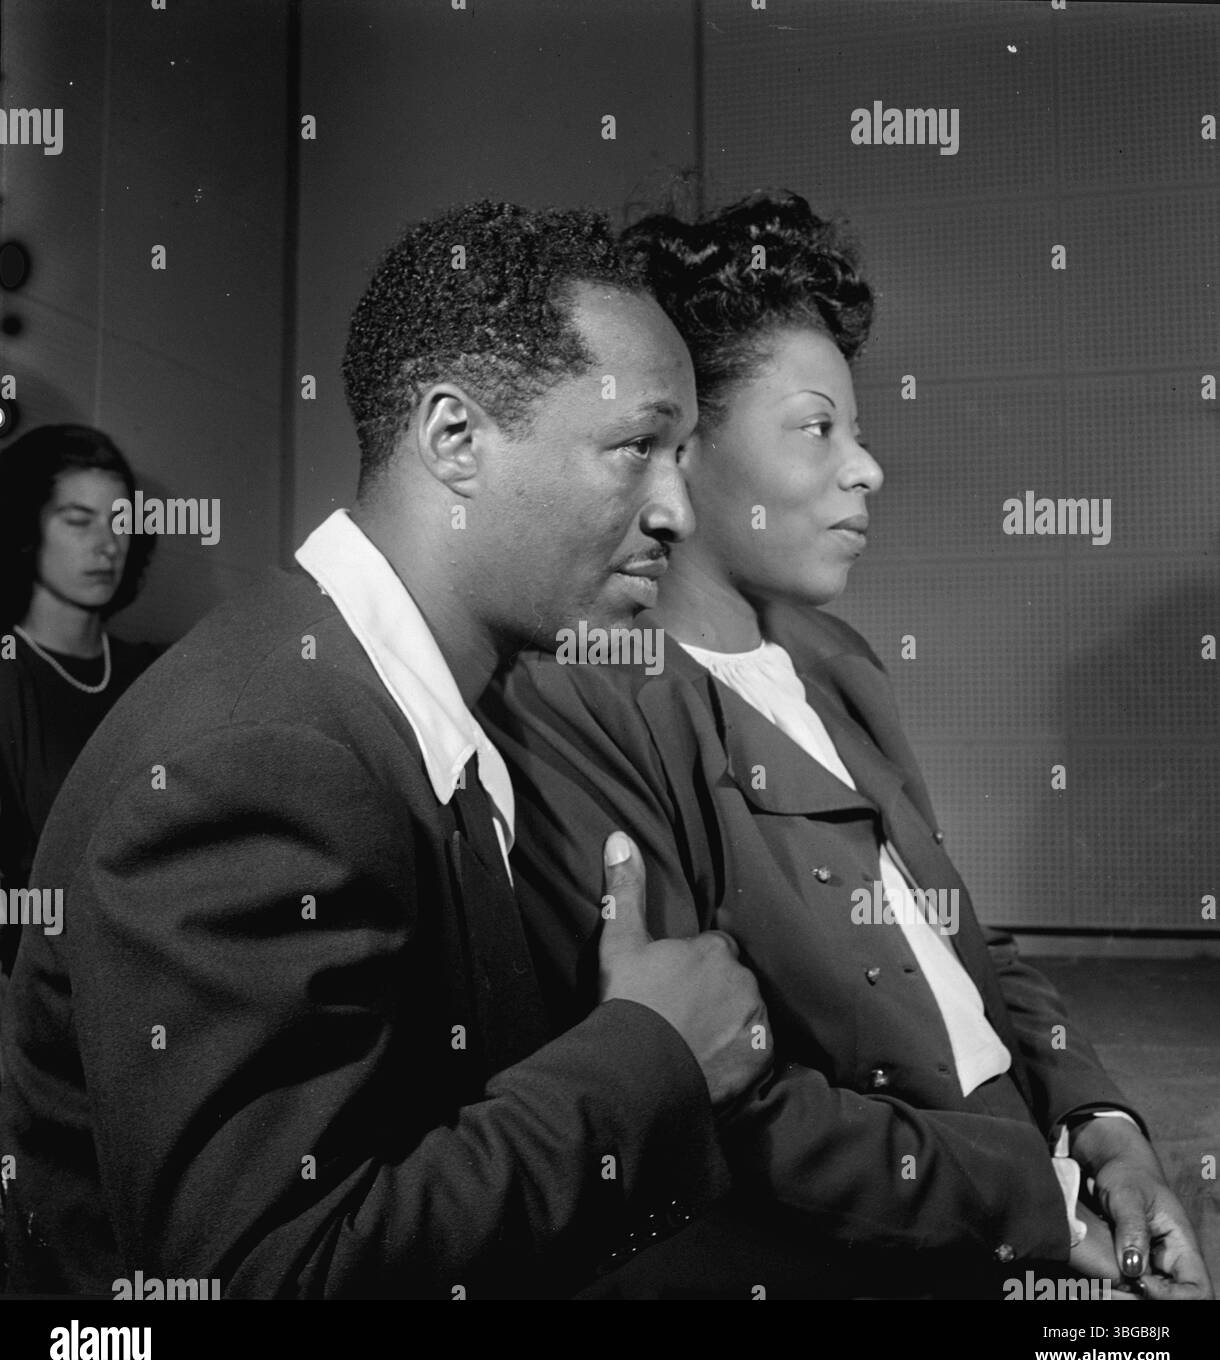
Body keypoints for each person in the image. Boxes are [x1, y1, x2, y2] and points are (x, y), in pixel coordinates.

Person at [0, 202, 771, 1298]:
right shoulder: (261, 760)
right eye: (637, 446)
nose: (678, 511)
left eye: (682, 457)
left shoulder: (391, 704)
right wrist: (648, 1052)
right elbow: (277, 1272)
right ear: (453, 438)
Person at [479, 192, 1213, 1299]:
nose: (866, 469)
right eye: (820, 428)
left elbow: (964, 940)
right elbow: (713, 1093)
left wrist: (1099, 1123)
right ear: (682, 442)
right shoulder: (577, 700)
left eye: (858, 434)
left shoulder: (834, 660)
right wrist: (1043, 1208)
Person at [0, 425, 158, 979]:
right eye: (77, 520)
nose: (107, 544)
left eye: (119, 521)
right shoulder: (9, 675)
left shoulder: (154, 673)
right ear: (26, 529)